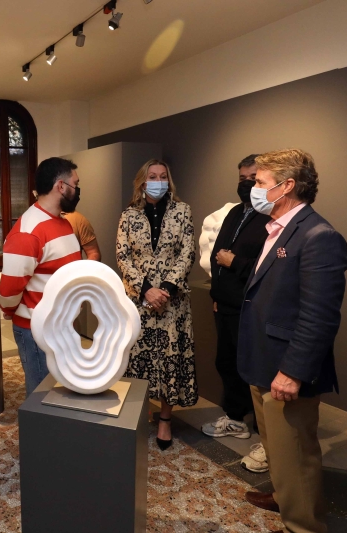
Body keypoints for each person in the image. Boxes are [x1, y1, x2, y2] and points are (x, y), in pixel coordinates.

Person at [238, 149, 347, 533]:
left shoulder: (320, 236)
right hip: (264, 360)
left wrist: (292, 372)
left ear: (286, 187)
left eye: (260, 182)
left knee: (297, 453)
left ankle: (304, 522)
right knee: (278, 450)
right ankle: (284, 495)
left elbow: (320, 316)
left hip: (287, 369)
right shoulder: (278, 229)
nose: (252, 188)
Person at [116, 159, 196, 451]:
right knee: (138, 360)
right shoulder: (129, 215)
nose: (158, 180)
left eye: (163, 176)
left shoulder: (183, 211)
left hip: (173, 303)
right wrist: (147, 290)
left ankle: (164, 418)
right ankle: (137, 414)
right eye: (152, 176)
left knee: (169, 359)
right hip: (139, 303)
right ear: (142, 181)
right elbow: (123, 257)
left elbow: (188, 252)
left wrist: (166, 290)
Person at [201, 155, 271, 460]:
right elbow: (218, 253)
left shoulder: (271, 218)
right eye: (242, 178)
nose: (247, 184)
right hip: (225, 305)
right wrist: (216, 294)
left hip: (251, 307)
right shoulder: (234, 213)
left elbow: (267, 267)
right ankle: (235, 417)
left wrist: (236, 263)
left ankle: (264, 434)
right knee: (226, 362)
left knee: (254, 371)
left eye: (253, 178)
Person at [0, 157, 82, 394]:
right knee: (41, 398)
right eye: (75, 184)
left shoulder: (62, 222)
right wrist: (10, 311)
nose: (78, 190)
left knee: (59, 393)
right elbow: (9, 289)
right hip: (37, 329)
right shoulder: (28, 231)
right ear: (61, 186)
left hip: (62, 326)